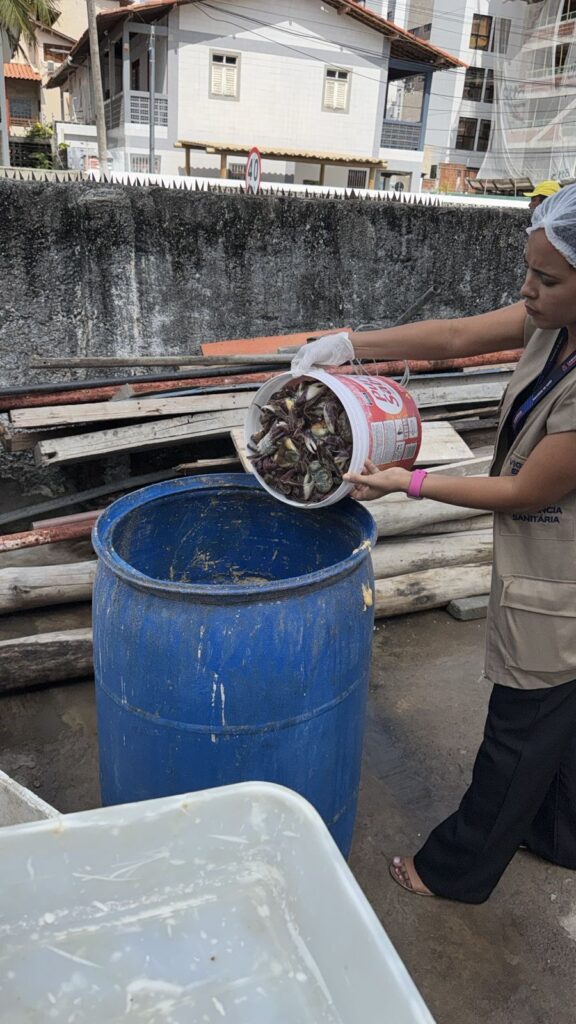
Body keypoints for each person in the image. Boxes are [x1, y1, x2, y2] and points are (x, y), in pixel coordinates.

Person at [291, 183, 576, 904]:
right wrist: (350, 346)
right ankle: (561, 834)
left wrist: (409, 482)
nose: (528, 289)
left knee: (522, 723)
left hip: (564, 575)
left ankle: (455, 871)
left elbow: (526, 491)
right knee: (563, 714)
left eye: (546, 279)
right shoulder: (557, 322)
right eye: (528, 270)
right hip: (550, 556)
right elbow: (454, 337)